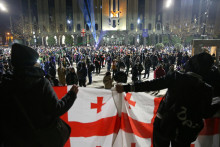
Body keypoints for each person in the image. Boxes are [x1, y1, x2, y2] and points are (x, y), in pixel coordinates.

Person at [116, 52, 215, 147]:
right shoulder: (207, 89)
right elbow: (206, 113)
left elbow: (152, 85)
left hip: (164, 125)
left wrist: (127, 88)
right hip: (186, 131)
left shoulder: (177, 77)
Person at [0, 43, 78, 146]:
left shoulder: (5, 84)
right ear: (31, 63)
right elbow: (56, 109)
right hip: (39, 139)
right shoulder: (40, 83)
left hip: (15, 140)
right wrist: (71, 95)